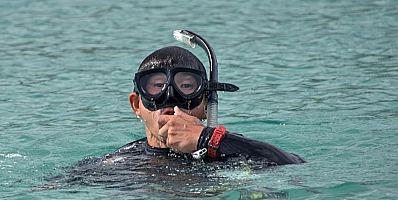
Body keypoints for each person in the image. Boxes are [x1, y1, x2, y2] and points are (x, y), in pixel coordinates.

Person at [121, 45, 305, 165]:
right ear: (136, 105)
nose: (171, 96)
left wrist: (207, 139)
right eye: (157, 86)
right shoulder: (121, 162)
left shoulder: (230, 149)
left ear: (207, 105)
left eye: (186, 86)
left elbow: (294, 165)